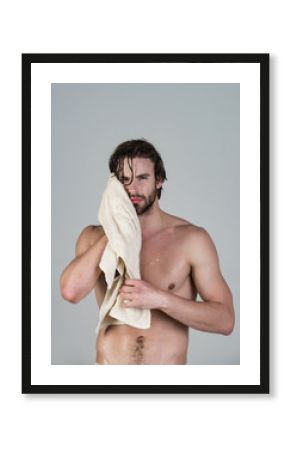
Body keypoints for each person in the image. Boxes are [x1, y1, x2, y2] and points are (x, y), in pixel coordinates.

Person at [60, 139, 235, 365]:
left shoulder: (192, 240)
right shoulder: (93, 237)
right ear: (113, 185)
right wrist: (116, 229)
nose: (132, 188)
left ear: (159, 181)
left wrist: (161, 299)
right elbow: (71, 292)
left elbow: (225, 320)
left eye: (143, 178)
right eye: (124, 180)